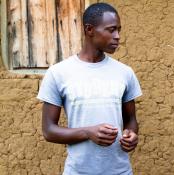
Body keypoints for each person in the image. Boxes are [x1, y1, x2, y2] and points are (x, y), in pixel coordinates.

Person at [37, 3, 142, 175]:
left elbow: (130, 119)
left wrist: (131, 135)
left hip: (120, 171)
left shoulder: (125, 73)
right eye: (111, 30)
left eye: (119, 30)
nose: (117, 36)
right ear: (89, 29)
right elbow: (49, 131)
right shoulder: (58, 73)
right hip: (78, 171)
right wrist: (87, 132)